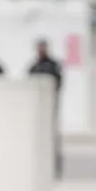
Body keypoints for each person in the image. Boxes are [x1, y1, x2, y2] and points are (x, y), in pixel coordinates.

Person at [28, 38, 64, 178]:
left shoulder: (53, 66)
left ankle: (55, 170)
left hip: (50, 108)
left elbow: (58, 84)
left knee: (52, 139)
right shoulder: (34, 66)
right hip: (37, 110)